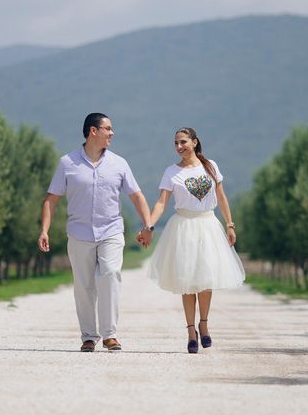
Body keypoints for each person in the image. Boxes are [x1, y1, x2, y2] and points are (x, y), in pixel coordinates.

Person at [38, 113, 153, 352]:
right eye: (107, 129)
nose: (112, 133)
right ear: (93, 131)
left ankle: (110, 334)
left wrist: (148, 226)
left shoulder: (119, 163)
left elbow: (136, 196)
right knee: (84, 285)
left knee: (110, 275)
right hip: (79, 233)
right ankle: (89, 336)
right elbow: (51, 199)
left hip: (111, 230)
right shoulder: (67, 163)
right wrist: (44, 230)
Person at [137, 127, 245, 353]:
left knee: (206, 279)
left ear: (194, 142)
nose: (179, 147)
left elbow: (221, 197)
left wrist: (230, 224)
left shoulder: (211, 166)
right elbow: (161, 203)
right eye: (176, 143)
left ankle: (203, 325)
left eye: (183, 142)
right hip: (184, 227)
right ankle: (190, 332)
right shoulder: (171, 172)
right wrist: (149, 226)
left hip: (208, 226)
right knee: (187, 280)